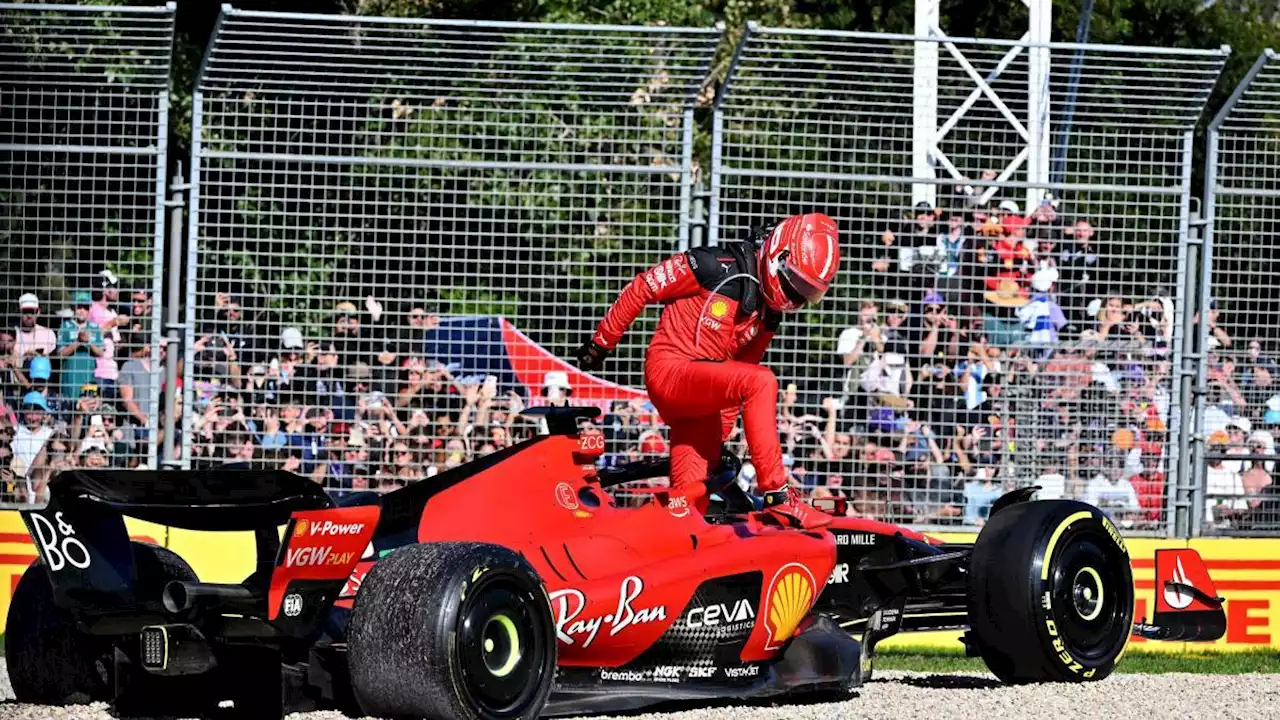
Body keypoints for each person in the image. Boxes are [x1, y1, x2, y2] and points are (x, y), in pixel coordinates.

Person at [574, 213, 841, 529]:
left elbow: (739, 374)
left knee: (687, 513)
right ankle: (778, 496)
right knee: (764, 382)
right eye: (795, 284)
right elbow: (644, 285)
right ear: (778, 257)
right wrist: (600, 344)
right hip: (671, 372)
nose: (796, 298)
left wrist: (718, 440)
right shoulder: (714, 265)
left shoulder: (770, 314)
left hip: (702, 403)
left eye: (808, 293)